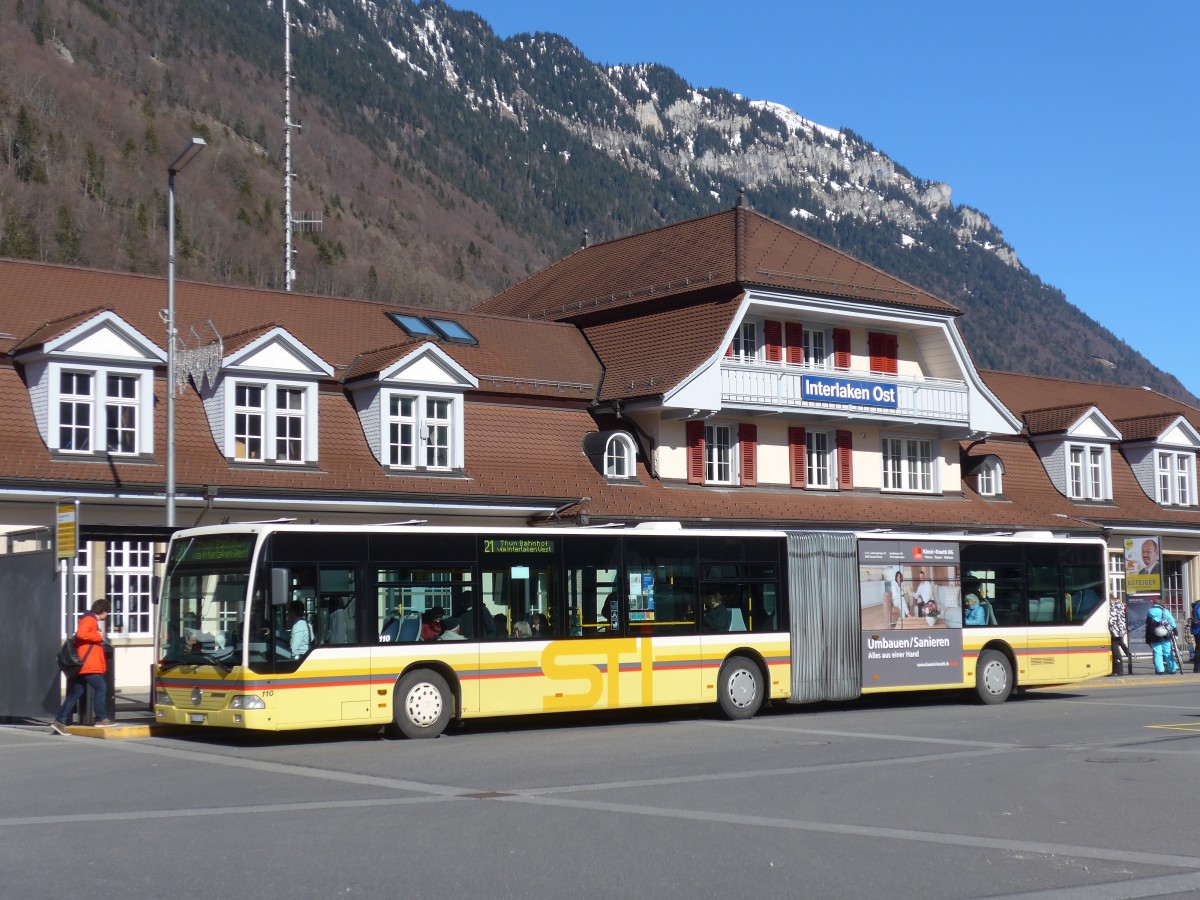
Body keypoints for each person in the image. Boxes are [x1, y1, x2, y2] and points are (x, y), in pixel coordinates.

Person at [52, 598, 113, 732]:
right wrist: (97, 636)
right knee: (101, 687)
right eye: (107, 612)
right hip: (88, 664)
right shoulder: (89, 619)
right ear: (103, 611)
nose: (107, 615)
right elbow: (82, 634)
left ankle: (59, 721)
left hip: (84, 664)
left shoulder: (90, 620)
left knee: (76, 693)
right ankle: (100, 718)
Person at [1145, 600, 1178, 674]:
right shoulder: (1165, 611)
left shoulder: (1150, 612)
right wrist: (1175, 631)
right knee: (1167, 652)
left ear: (1153, 604)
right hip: (1166, 633)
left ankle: (1160, 670)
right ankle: (1173, 669)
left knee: (1157, 653)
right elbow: (1171, 621)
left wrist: (1148, 640)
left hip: (1154, 634)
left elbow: (1148, 626)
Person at [1108, 595, 1133, 676]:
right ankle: (1128, 654)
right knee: (1120, 644)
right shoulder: (1120, 606)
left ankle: (1118, 670)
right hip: (1119, 630)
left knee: (1115, 651)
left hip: (1115, 631)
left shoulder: (1112, 607)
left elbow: (1112, 620)